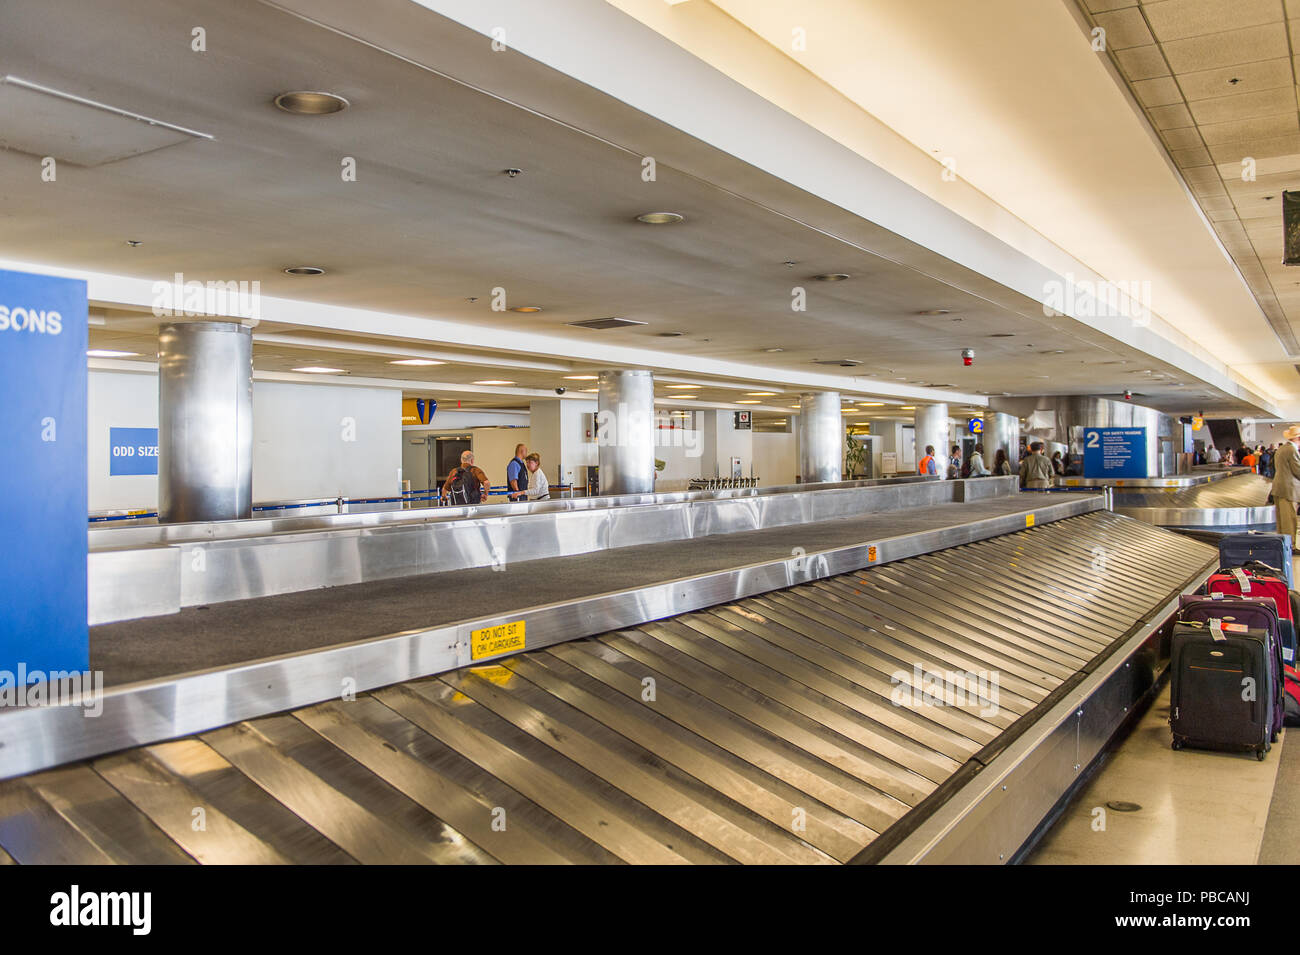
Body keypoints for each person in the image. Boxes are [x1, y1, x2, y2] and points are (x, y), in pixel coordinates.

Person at [1273, 426, 1300, 546]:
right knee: (1289, 519)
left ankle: (1283, 544)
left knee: (1282, 520)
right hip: (1289, 489)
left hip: (1279, 487)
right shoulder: (1292, 450)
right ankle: (1291, 545)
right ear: (1297, 438)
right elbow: (1297, 470)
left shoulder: (1281, 449)